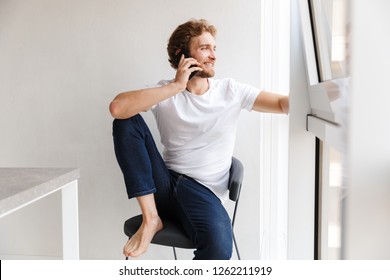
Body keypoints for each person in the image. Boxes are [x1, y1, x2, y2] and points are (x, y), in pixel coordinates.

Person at [109, 19, 289, 260]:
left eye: (214, 48)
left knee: (218, 250)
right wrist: (175, 86)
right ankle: (151, 218)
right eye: (205, 48)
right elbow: (117, 108)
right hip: (164, 185)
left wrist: (321, 93)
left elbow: (280, 103)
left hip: (204, 192)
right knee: (126, 121)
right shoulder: (166, 92)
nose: (213, 55)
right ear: (181, 53)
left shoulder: (230, 91)